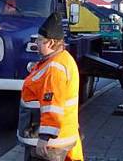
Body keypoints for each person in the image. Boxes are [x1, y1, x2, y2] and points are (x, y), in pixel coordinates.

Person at [18, 12, 83, 161]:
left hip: (50, 143)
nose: (37, 43)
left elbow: (52, 105)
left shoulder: (54, 68)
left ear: (52, 43)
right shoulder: (61, 59)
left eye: (41, 40)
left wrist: (44, 138)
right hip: (57, 137)